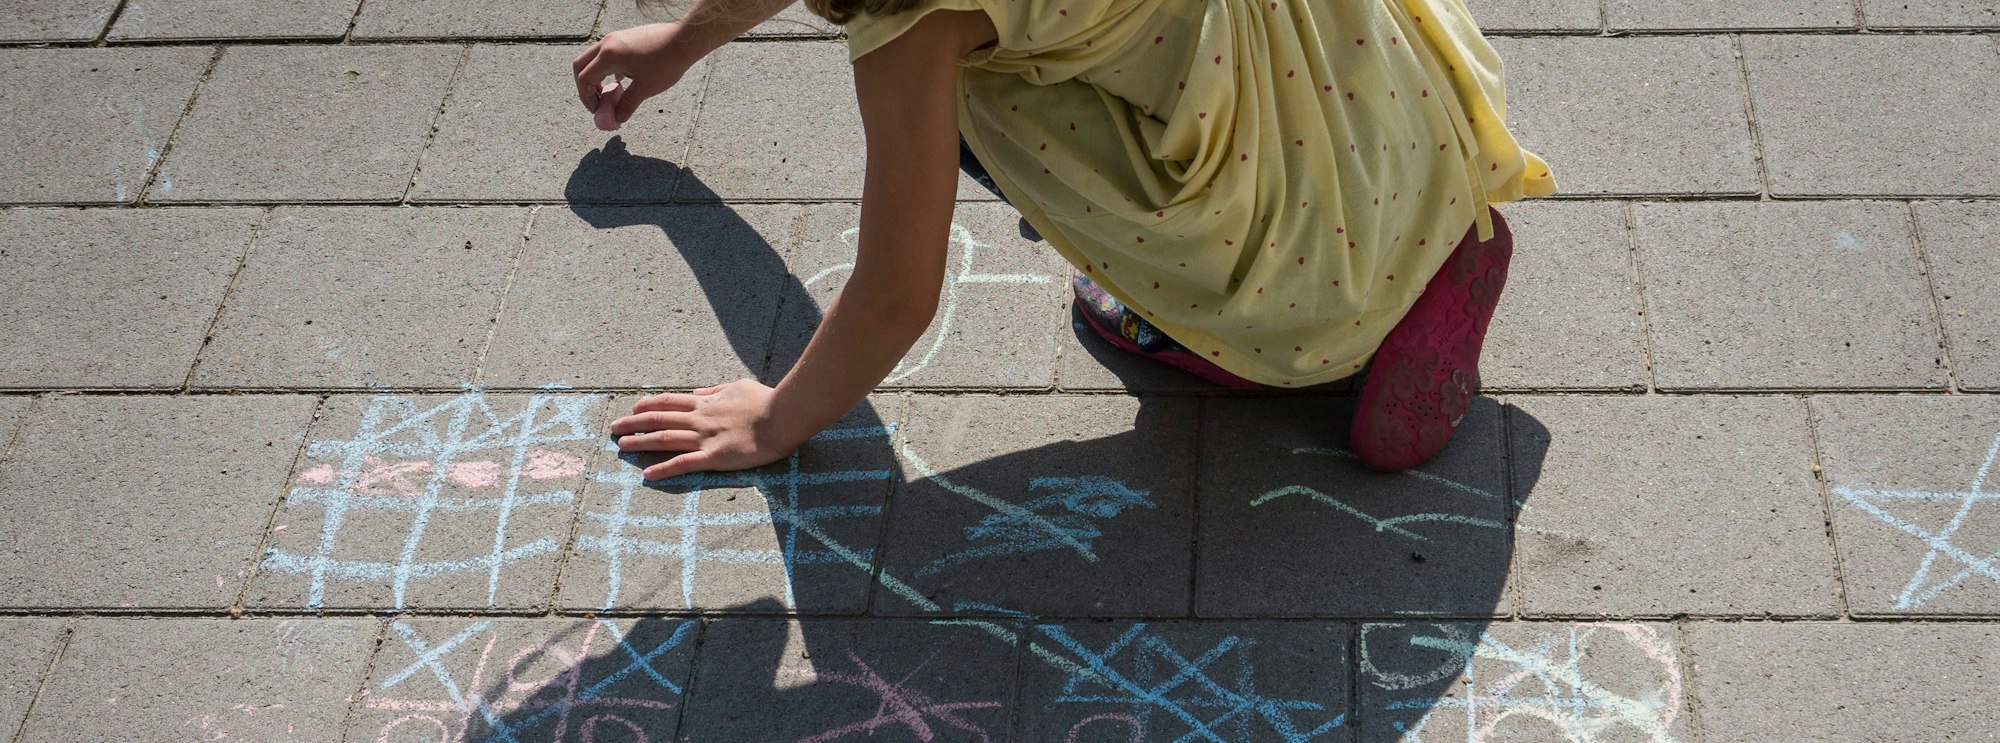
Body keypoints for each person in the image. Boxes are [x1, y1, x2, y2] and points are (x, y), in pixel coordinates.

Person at [579, 0, 1553, 476]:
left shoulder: (916, 23)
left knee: (963, 105)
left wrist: (774, 420)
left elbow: (895, 296)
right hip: (1382, 102)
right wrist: (684, 43)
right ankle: (1426, 233)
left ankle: (1302, 343)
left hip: (1294, 226)